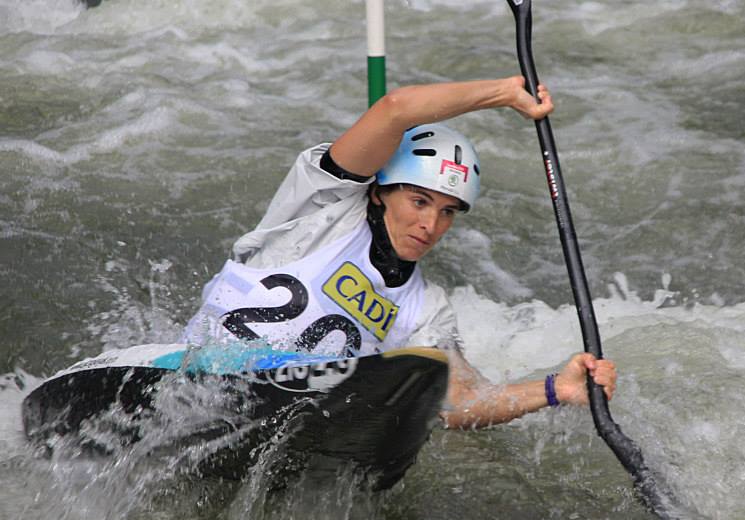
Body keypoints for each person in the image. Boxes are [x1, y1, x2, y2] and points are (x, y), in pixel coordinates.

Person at [182, 75, 617, 429]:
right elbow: (395, 110)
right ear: (379, 193)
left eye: (448, 212)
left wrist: (555, 390)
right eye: (419, 201)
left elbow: (461, 402)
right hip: (194, 374)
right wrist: (503, 94)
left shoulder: (426, 308)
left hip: (295, 412)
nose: (431, 226)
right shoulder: (323, 203)